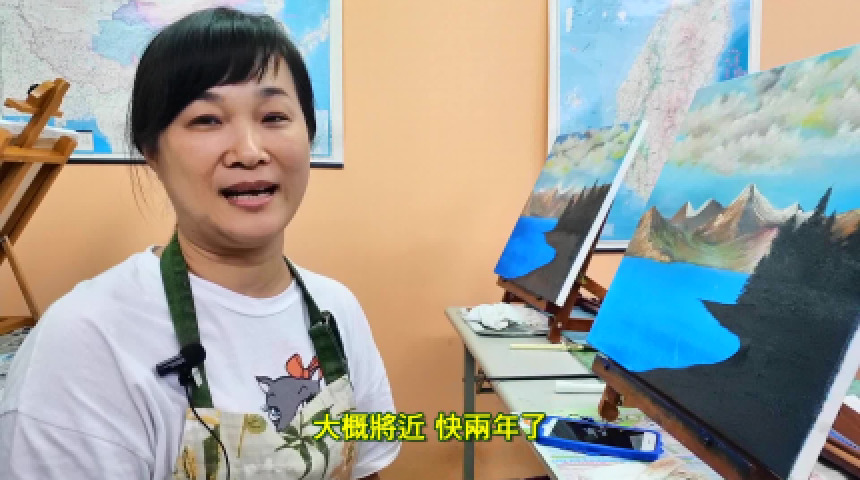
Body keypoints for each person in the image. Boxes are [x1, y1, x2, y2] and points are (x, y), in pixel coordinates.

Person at [0, 7, 399, 479]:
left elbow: (368, 468)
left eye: (274, 116)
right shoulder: (85, 341)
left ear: (308, 133)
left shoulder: (338, 308)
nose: (250, 152)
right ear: (152, 151)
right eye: (207, 120)